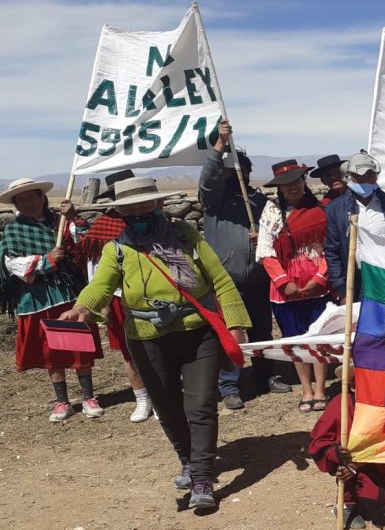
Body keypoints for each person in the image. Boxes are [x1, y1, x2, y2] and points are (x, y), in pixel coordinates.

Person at [60, 177, 252, 510]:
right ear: (119, 211)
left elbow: (220, 279)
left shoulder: (185, 237)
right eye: (129, 208)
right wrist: (82, 307)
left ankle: (203, 477)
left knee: (201, 404)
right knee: (166, 406)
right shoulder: (117, 249)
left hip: (197, 332)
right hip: (147, 340)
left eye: (143, 205)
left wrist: (236, 323)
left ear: (158, 205)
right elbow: (101, 285)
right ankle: (188, 460)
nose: (137, 212)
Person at [199, 119, 288, 409]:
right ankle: (229, 385)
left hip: (258, 277)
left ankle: (266, 376)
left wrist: (262, 235)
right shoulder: (214, 202)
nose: (238, 175)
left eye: (242, 170)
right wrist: (220, 146)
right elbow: (208, 178)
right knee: (232, 332)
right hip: (228, 278)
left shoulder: (260, 201)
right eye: (231, 171)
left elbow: (277, 230)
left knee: (261, 330)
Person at [0, 178, 103, 421]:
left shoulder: (60, 222)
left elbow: (85, 243)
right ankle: (62, 402)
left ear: (42, 197)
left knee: (77, 344)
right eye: (22, 199)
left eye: (32, 196)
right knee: (51, 351)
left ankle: (89, 397)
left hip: (66, 293)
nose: (28, 202)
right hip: (36, 299)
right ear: (16, 204)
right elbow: (11, 263)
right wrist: (47, 260)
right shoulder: (14, 230)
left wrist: (74, 217)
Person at [72, 169, 154, 422]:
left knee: (158, 349)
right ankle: (142, 398)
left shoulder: (156, 223)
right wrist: (103, 303)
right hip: (119, 298)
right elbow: (95, 268)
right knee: (130, 352)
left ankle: (163, 398)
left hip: (153, 295)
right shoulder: (104, 227)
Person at [257, 160, 331, 411]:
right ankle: (306, 389)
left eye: (296, 181)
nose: (292, 187)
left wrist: (318, 279)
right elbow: (266, 252)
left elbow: (331, 250)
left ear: (304, 181)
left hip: (318, 287)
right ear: (279, 188)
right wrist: (284, 283)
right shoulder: (271, 213)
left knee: (320, 337)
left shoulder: (320, 210)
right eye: (286, 184)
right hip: (285, 291)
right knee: (295, 339)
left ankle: (320, 388)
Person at [309, 391, 385, 529]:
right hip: (352, 464)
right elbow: (320, 441)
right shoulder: (342, 402)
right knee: (360, 483)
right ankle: (347, 504)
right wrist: (337, 454)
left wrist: (360, 462)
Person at [324, 151, 385, 304]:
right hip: (357, 284)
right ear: (349, 177)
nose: (365, 180)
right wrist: (342, 290)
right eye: (359, 176)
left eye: (370, 176)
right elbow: (332, 251)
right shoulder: (336, 209)